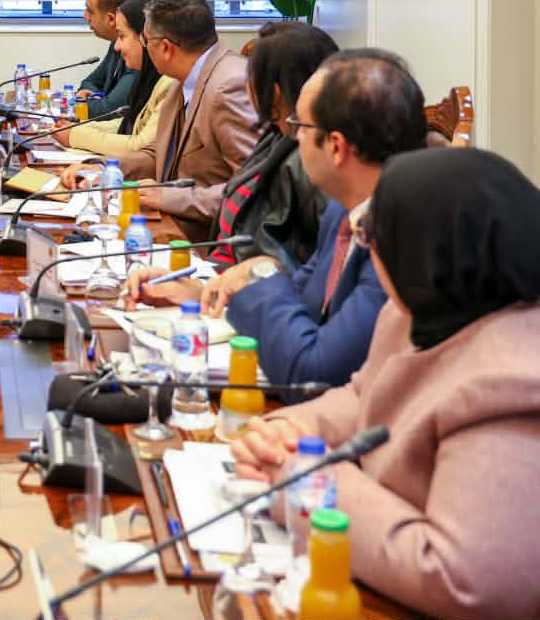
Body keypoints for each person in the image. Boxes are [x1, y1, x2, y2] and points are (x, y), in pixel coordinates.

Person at [230, 148, 540, 620]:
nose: (367, 248)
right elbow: (363, 396)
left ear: (428, 252)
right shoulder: (410, 313)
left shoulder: (512, 382)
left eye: (372, 233)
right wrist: (283, 435)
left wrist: (305, 479)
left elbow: (464, 581)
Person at [128, 49, 427, 390]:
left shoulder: (397, 239)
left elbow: (311, 374)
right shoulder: (343, 211)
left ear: (336, 147)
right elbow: (300, 297)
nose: (292, 137)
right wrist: (203, 293)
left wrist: (262, 273)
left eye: (300, 126)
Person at [123, 21, 335, 272]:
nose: (246, 84)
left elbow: (306, 267)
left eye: (251, 75)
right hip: (220, 267)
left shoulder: (309, 158)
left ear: (274, 92)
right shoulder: (276, 134)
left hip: (244, 282)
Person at [116, 0, 259, 242]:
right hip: (173, 228)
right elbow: (163, 158)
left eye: (145, 40)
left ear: (166, 47)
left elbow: (254, 189)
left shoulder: (229, 87)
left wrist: (169, 197)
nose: (118, 47)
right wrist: (107, 171)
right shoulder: (182, 79)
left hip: (212, 243)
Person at [54, 0, 173, 159]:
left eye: (122, 36)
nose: (117, 46)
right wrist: (77, 129)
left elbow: (141, 146)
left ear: (145, 38)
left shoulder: (170, 82)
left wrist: (76, 136)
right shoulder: (149, 73)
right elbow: (131, 124)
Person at [75, 0, 142, 116]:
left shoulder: (140, 54)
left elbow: (106, 112)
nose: (85, 16)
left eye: (90, 10)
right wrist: (95, 98)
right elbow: (90, 82)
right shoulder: (115, 42)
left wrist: (86, 101)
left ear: (111, 19)